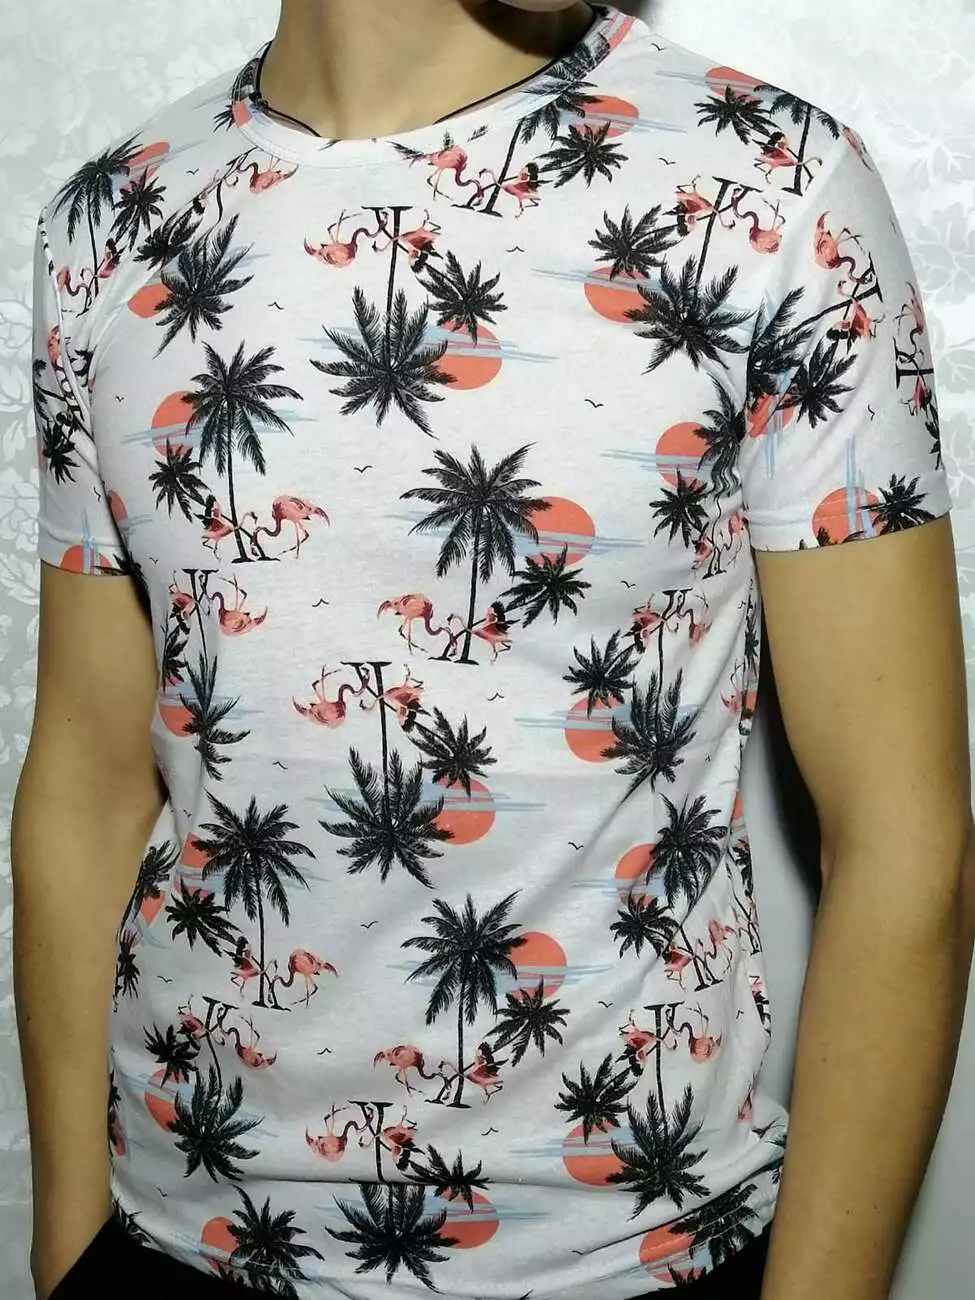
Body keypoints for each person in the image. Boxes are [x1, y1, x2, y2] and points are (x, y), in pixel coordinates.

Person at [12, 2, 974, 1298]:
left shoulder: (771, 188)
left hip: (626, 1260)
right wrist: (66, 1241)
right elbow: (84, 784)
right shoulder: (109, 224)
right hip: (171, 1240)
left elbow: (905, 836)